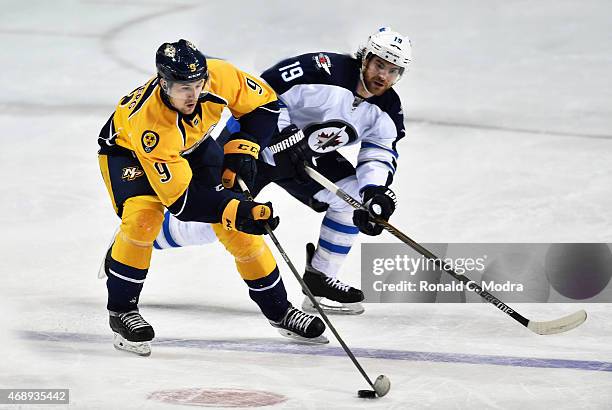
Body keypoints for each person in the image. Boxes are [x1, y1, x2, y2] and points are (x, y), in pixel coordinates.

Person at [154, 28, 411, 315]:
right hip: (252, 147)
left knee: (353, 199)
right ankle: (141, 237)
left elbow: (379, 150)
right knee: (212, 224)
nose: (383, 76)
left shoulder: (388, 108)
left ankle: (320, 280)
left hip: (304, 159)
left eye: (393, 71)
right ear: (365, 58)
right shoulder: (323, 70)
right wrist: (284, 131)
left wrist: (374, 192)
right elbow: (263, 90)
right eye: (379, 65)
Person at [97, 39, 327, 356]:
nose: (193, 95)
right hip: (129, 155)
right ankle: (122, 310)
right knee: (143, 220)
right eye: (182, 88)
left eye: (198, 84)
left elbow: (266, 105)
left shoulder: (218, 75)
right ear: (164, 83)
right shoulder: (150, 125)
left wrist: (244, 146)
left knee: (240, 232)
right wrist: (237, 209)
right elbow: (183, 204)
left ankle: (280, 311)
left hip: (195, 146)